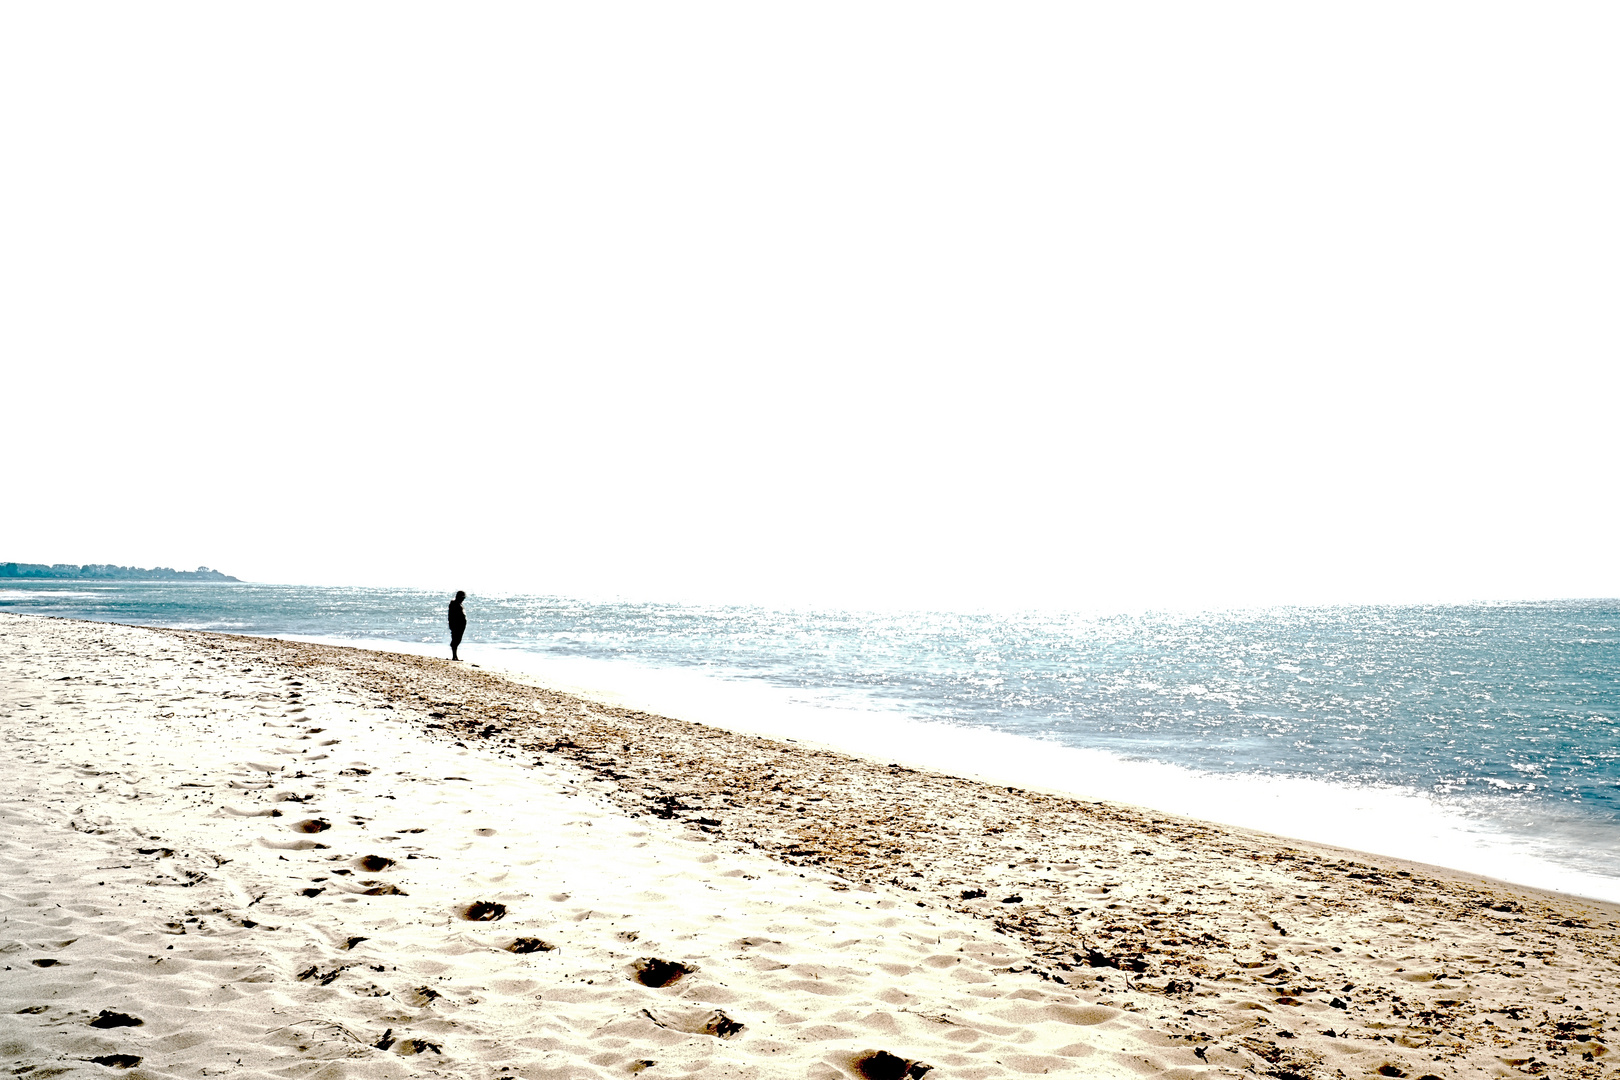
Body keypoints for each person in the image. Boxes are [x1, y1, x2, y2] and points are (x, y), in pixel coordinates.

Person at [448, 591, 467, 661]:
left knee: (457, 640)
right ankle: (454, 656)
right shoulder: (454, 604)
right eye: (462, 598)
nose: (463, 599)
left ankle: (455, 656)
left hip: (460, 625)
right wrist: (451, 624)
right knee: (456, 640)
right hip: (456, 624)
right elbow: (451, 616)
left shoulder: (458, 604)